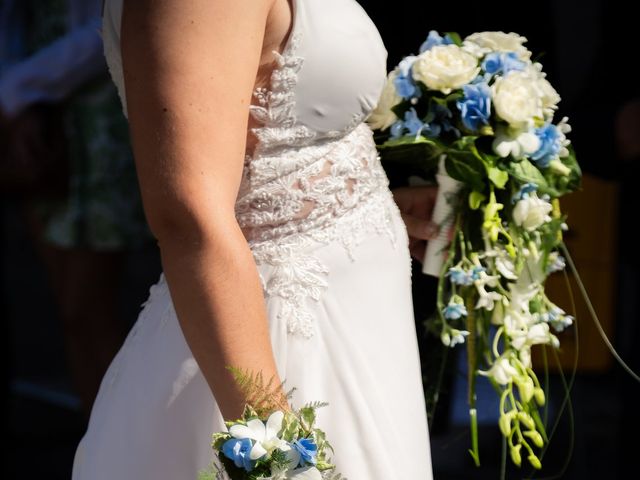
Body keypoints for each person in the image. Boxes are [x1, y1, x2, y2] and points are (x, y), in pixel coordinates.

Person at [72, 0, 438, 478]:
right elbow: (189, 218)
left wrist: (363, 204)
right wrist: (276, 449)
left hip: (359, 323)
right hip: (278, 347)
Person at [0, 0, 154, 415]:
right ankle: (96, 431)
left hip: (95, 120)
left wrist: (15, 90)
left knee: (86, 306)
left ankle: (120, 433)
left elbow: (104, 31)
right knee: (70, 312)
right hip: (37, 119)